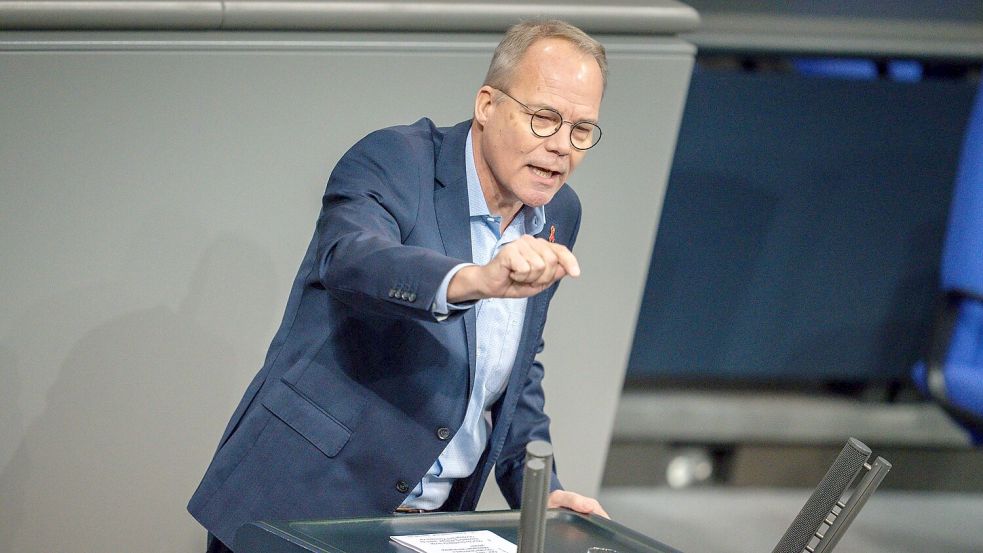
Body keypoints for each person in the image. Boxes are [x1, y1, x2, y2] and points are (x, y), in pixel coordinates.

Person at [188, 19, 609, 552]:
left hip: (421, 530)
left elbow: (513, 371)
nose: (561, 148)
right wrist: (474, 280)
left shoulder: (558, 212)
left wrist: (538, 491)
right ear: (487, 105)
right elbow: (353, 260)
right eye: (545, 118)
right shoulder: (395, 160)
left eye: (581, 130)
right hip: (301, 506)